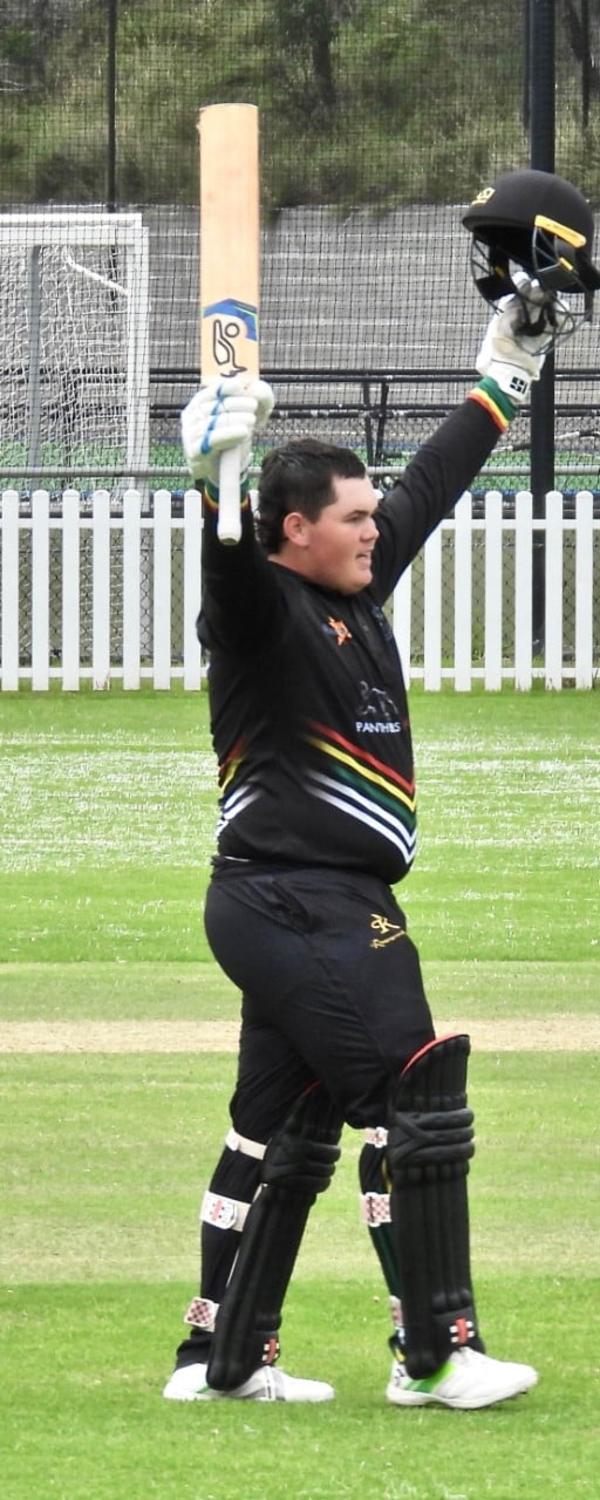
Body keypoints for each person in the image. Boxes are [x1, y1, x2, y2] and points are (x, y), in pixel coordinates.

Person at [162, 277, 560, 1409]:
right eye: (351, 516)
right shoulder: (260, 608)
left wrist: (507, 373)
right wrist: (211, 493)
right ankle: (433, 1353)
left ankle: (222, 1360)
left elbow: (430, 484)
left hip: (290, 901)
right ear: (295, 529)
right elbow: (230, 578)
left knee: (278, 1124)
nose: (374, 526)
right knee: (414, 1095)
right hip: (305, 899)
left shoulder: (357, 586)